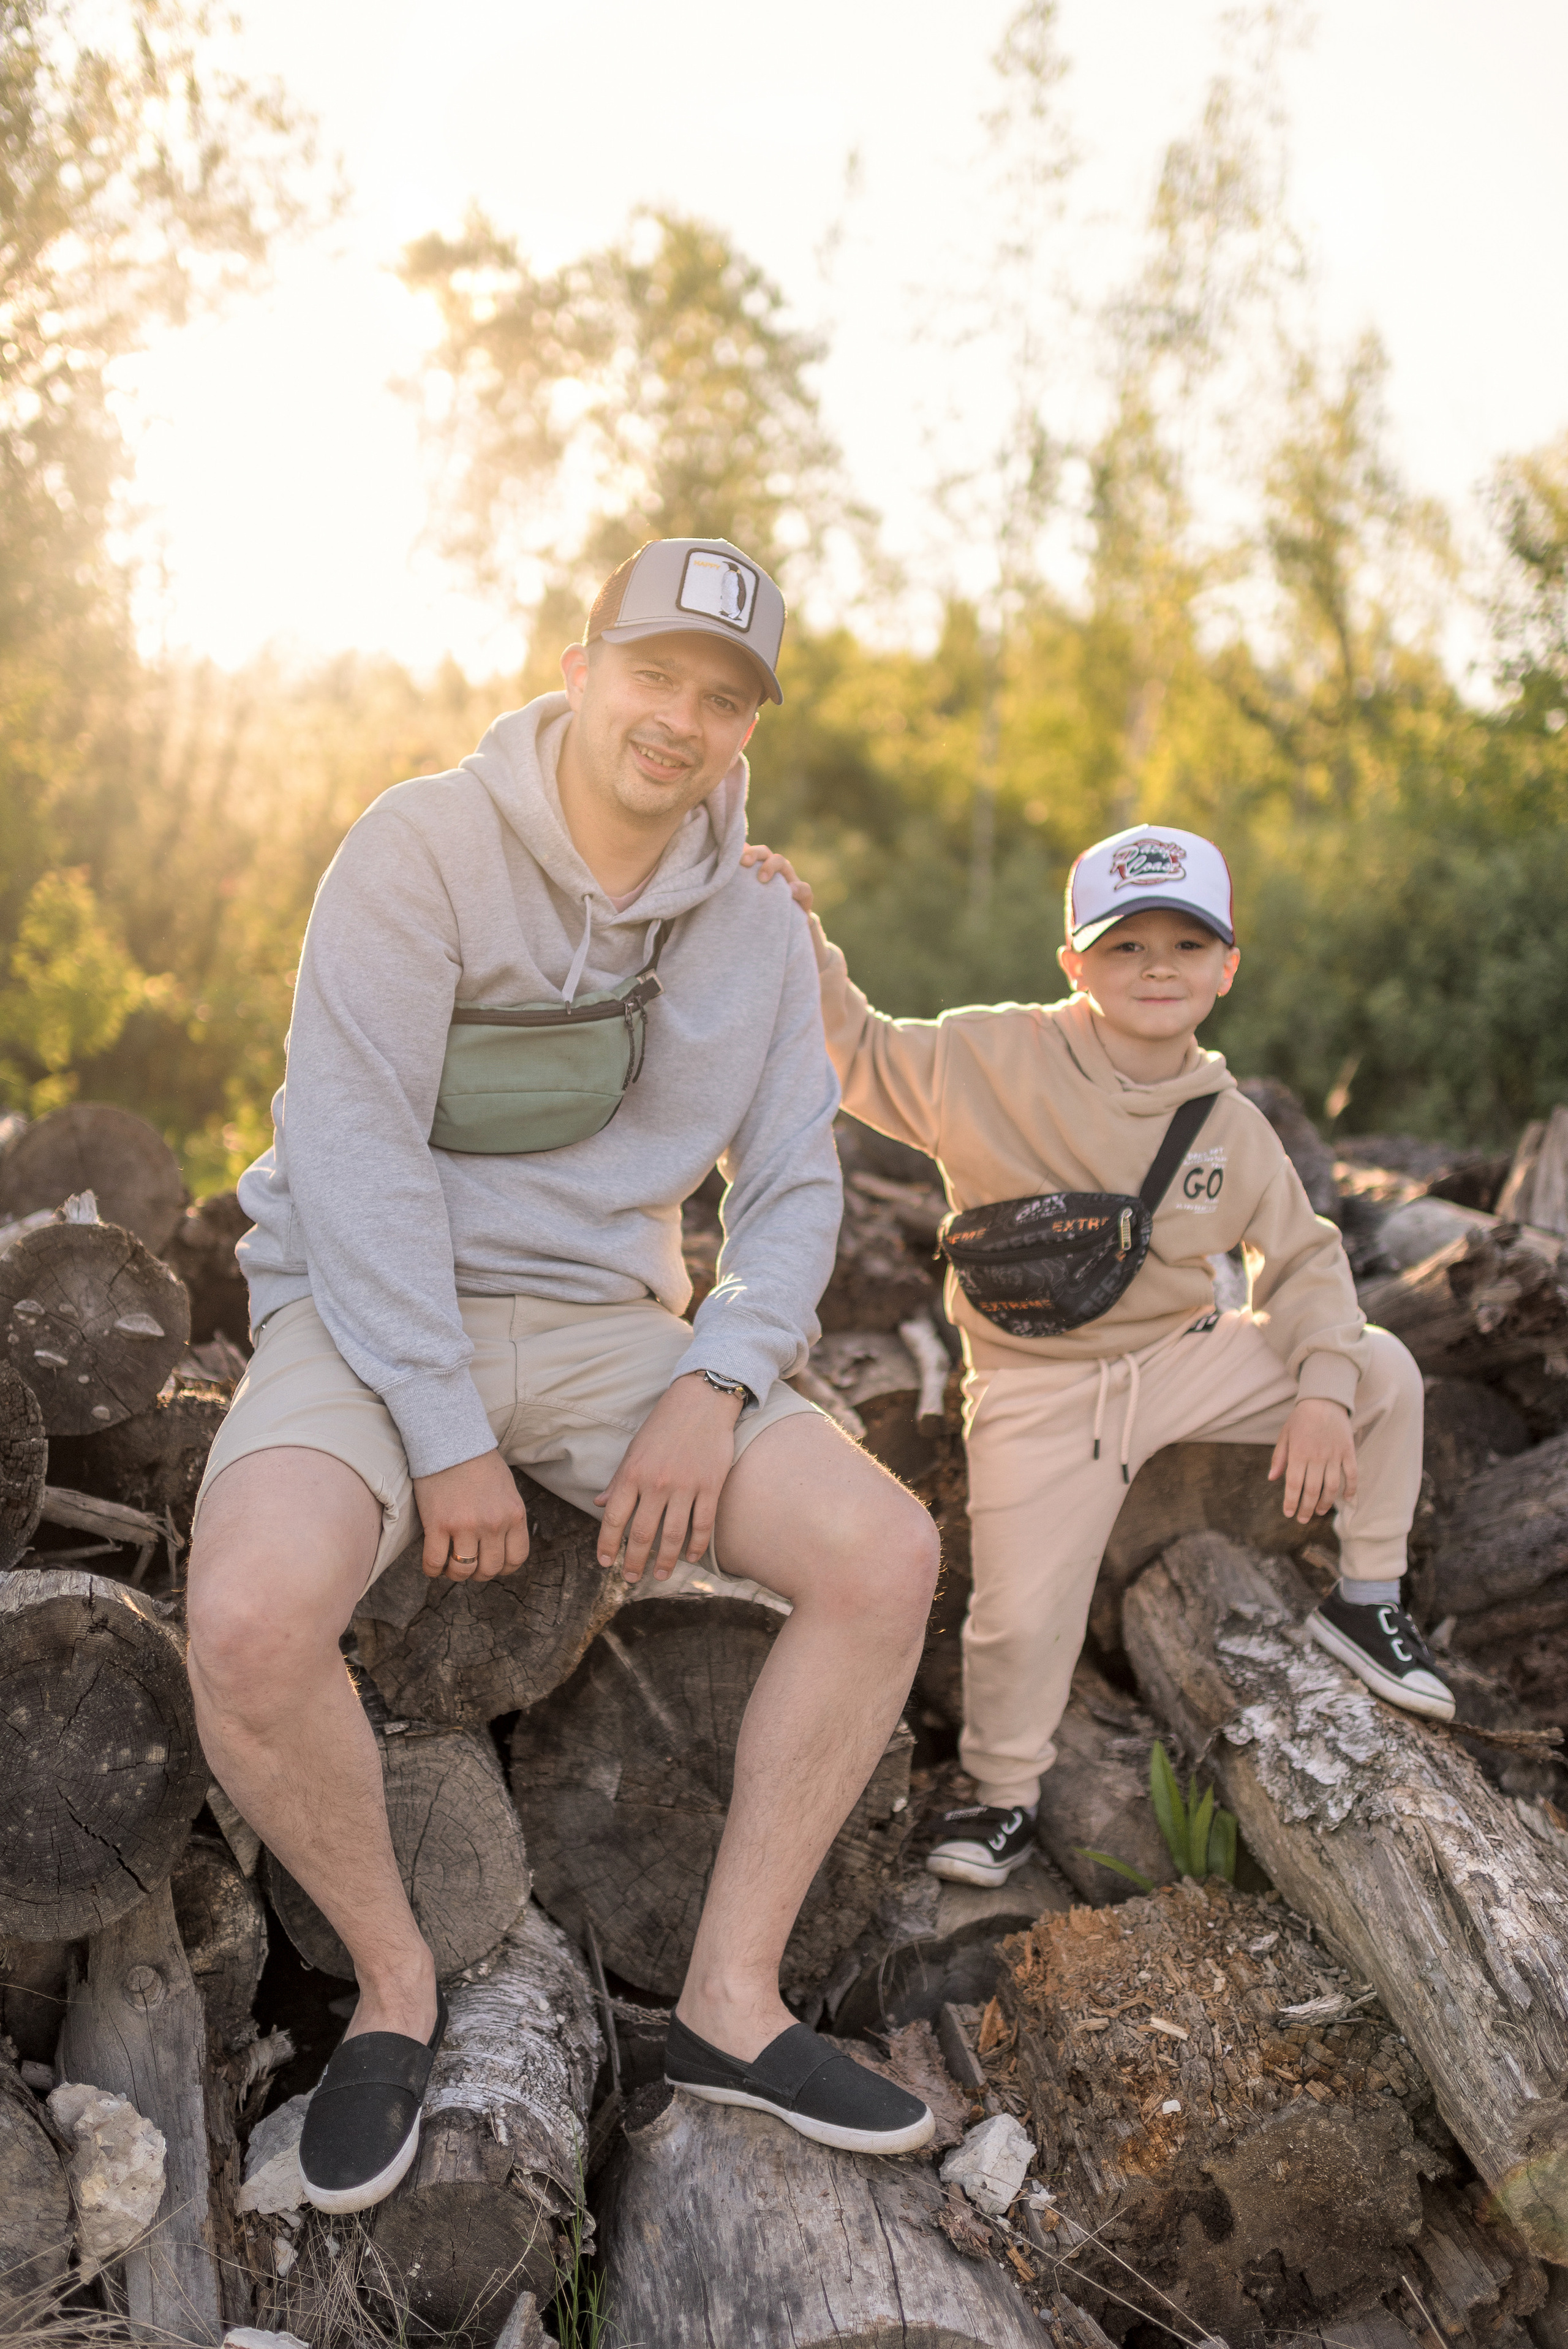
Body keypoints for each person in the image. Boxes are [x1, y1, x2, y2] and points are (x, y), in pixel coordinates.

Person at [186, 537, 940, 2214]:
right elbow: (355, 1143)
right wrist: (447, 1433)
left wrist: (720, 1377)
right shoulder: (416, 847)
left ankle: (732, 2008)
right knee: (246, 1621)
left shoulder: (752, 925)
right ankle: (393, 1985)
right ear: (585, 663)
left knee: (887, 1554)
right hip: (376, 1314)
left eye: (724, 698)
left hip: (611, 1325)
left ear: (750, 730)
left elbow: (795, 1189)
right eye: (656, 673)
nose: (681, 718)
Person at [745, 821, 1449, 1891]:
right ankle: (1002, 1796)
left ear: (1226, 967)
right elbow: (862, 1054)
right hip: (1037, 1387)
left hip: (1184, 1353)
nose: (1156, 967)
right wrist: (803, 934)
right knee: (1020, 1615)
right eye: (1125, 945)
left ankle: (1368, 1598)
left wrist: (1319, 1389)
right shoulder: (990, 1054)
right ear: (1073, 960)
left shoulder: (1229, 1123)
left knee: (1382, 1367)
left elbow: (1305, 1260)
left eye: (1184, 944)